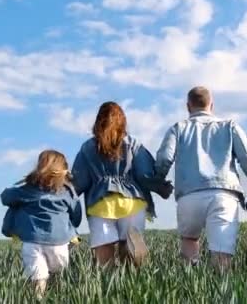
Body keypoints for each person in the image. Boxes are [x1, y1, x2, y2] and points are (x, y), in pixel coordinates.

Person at [155, 86, 247, 271]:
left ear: (188, 106)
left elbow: (164, 158)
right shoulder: (230, 126)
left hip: (189, 195)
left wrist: (159, 181)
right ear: (211, 105)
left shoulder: (178, 128)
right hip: (224, 195)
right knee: (222, 254)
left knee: (189, 240)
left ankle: (190, 287)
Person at [72, 101, 172, 267]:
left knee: (103, 247)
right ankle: (132, 264)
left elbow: (79, 181)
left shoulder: (88, 147)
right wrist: (160, 187)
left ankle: (108, 279)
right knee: (129, 243)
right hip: (131, 202)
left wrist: (63, 198)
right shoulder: (132, 143)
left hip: (100, 203)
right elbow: (144, 174)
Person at [1, 150, 82, 297]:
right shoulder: (67, 192)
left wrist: (24, 183)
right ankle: (58, 297)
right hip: (60, 242)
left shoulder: (27, 190)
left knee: (38, 277)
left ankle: (39, 298)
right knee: (58, 275)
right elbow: (76, 214)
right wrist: (72, 229)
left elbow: (5, 198)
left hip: (33, 241)